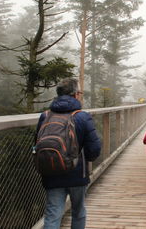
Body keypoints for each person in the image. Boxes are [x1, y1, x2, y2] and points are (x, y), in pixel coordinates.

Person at [35, 78, 101, 229]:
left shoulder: (45, 116)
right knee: (78, 211)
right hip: (77, 173)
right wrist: (89, 159)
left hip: (51, 171)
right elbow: (94, 149)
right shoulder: (82, 116)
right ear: (76, 95)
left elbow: (37, 143)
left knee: (53, 213)